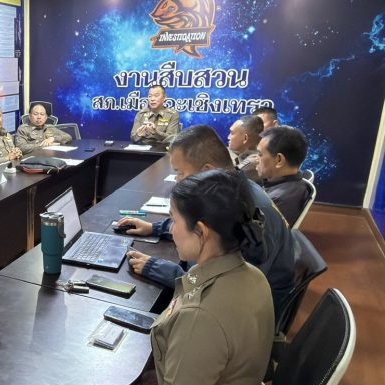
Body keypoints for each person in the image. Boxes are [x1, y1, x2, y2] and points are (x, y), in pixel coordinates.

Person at [70, 170, 274, 385]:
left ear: (201, 231)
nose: (172, 229)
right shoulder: (252, 276)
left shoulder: (201, 316)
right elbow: (190, 296)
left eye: (174, 221)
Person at [117, 125, 294, 318]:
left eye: (180, 173)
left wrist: (161, 270)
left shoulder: (250, 210)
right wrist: (154, 228)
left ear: (206, 171)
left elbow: (225, 289)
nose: (177, 180)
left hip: (246, 315)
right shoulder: (232, 191)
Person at [257, 126, 311, 227]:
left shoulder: (276, 201)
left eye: (260, 155)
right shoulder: (292, 187)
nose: (256, 159)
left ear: (279, 160)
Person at [227, 114, 263, 182]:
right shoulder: (243, 153)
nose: (228, 137)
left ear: (245, 138)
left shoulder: (256, 160)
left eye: (232, 133)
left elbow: (231, 174)